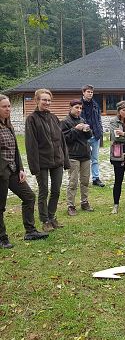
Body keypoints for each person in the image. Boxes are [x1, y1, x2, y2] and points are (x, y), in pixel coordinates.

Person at [0, 95, 49, 248]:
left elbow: (15, 149)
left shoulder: (8, 125)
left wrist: (20, 168)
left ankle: (30, 231)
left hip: (14, 171)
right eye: (4, 107)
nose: (8, 109)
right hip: (1, 172)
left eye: (9, 106)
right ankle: (2, 238)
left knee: (29, 197)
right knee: (0, 206)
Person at [25, 89, 70, 232]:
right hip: (41, 162)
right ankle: (44, 220)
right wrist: (34, 166)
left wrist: (66, 160)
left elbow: (62, 141)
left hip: (57, 160)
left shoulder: (54, 118)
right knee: (43, 191)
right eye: (44, 100)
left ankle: (52, 217)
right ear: (37, 101)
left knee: (56, 190)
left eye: (49, 100)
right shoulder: (31, 119)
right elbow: (30, 144)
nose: (47, 102)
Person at [61, 100, 94, 216]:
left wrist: (87, 130)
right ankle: (70, 205)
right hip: (73, 156)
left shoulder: (82, 120)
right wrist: (76, 129)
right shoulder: (65, 121)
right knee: (73, 182)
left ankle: (84, 202)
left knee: (85, 181)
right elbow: (65, 139)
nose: (79, 110)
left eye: (80, 108)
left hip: (85, 154)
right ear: (70, 107)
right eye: (76, 107)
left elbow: (89, 136)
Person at [80, 84, 105, 187]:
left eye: (91, 92)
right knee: (83, 159)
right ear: (83, 92)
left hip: (95, 135)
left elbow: (98, 118)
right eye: (88, 92)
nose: (90, 94)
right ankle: (83, 179)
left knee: (95, 159)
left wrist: (100, 129)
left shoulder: (95, 104)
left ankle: (96, 178)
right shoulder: (78, 104)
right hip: (83, 136)